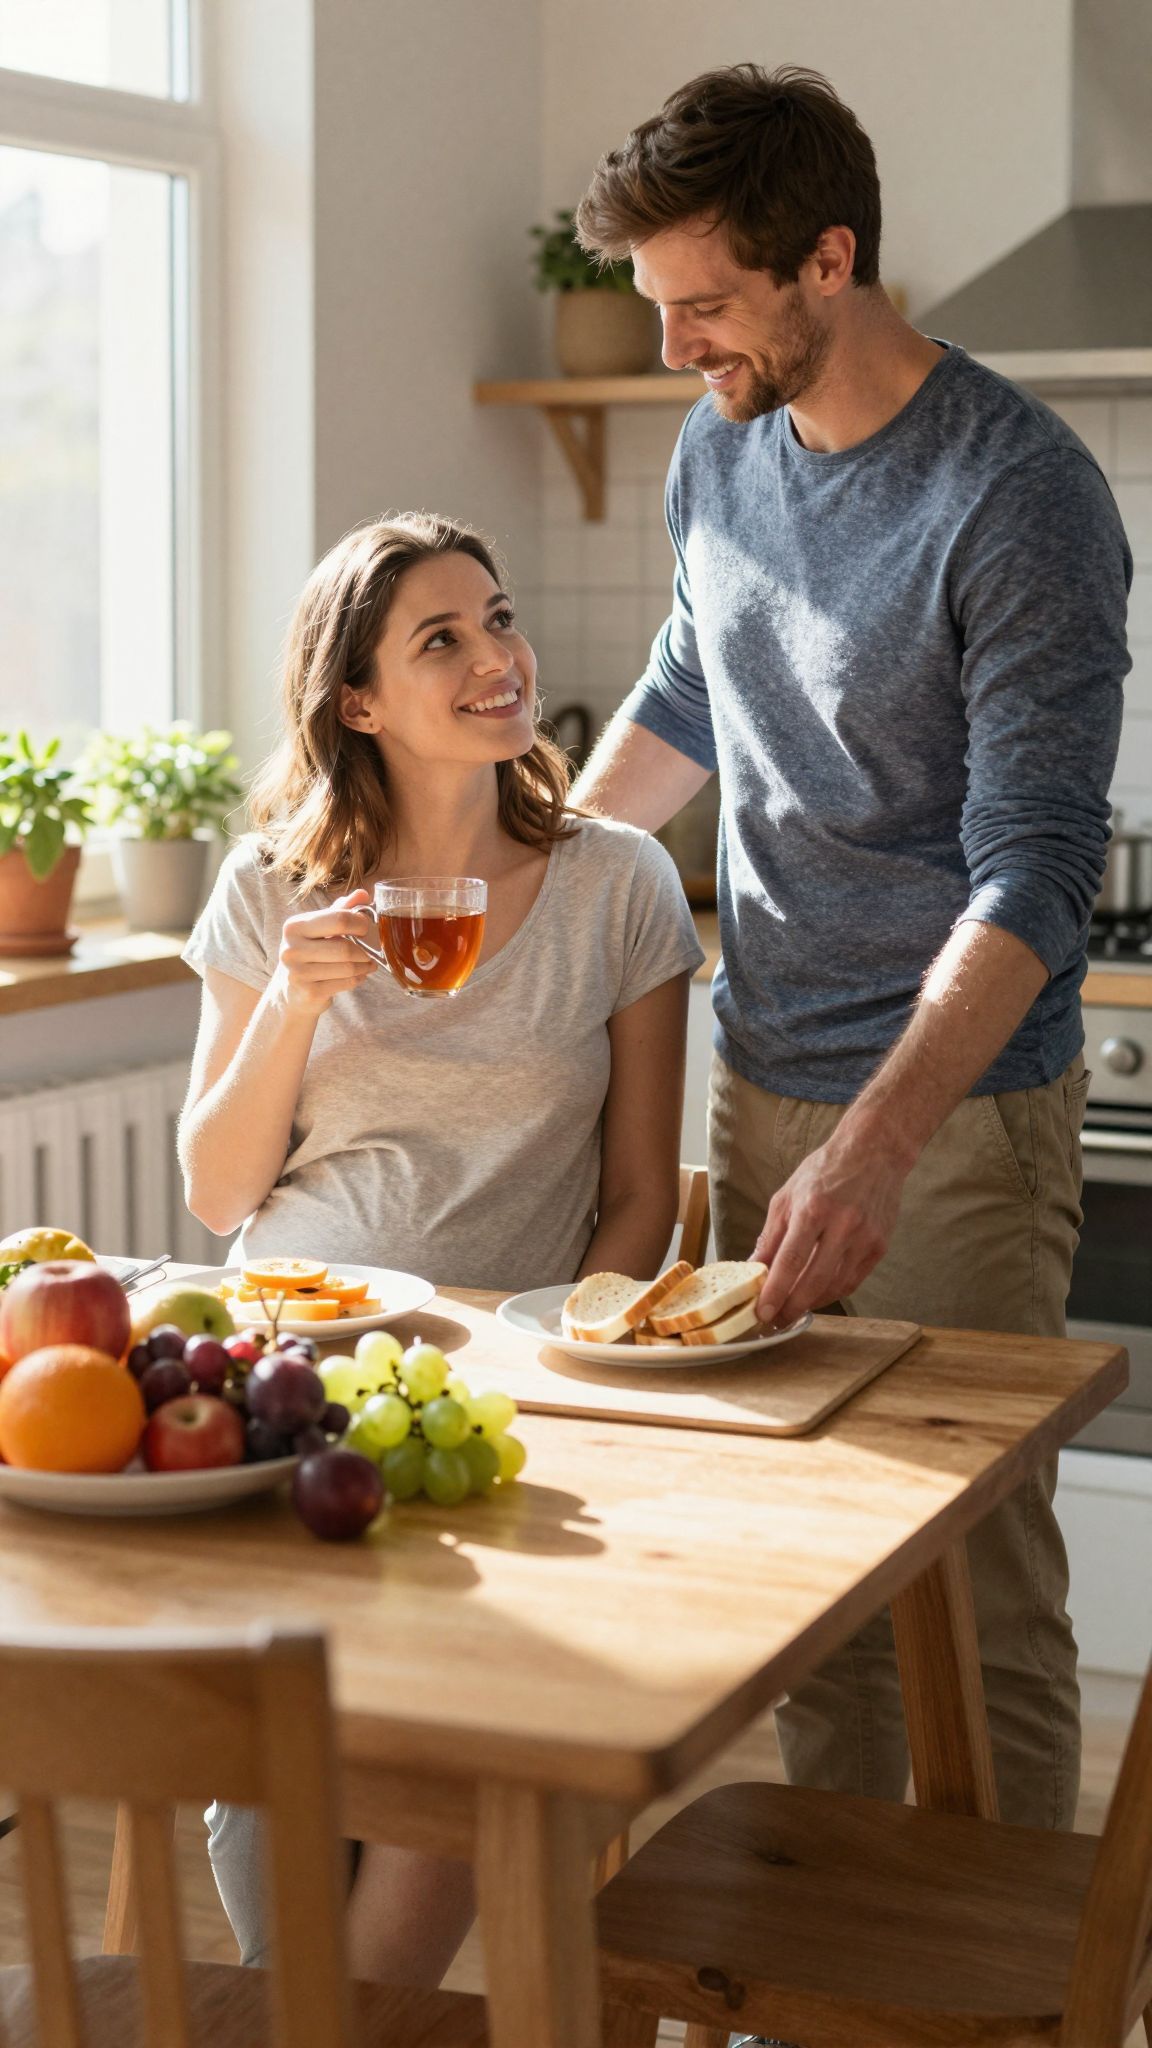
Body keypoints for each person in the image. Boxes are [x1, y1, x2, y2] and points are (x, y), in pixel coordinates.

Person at [572, 62, 1132, 1831]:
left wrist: (880, 1144)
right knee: (809, 1578)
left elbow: (1036, 874)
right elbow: (687, 691)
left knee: (970, 1584)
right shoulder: (720, 443)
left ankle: (1007, 2009)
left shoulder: (1018, 494)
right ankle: (832, 1999)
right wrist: (542, 887)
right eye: (658, 310)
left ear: (831, 261)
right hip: (764, 1082)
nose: (678, 350)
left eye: (706, 307)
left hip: (950, 1124)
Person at [179, 511, 703, 1982]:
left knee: (472, 1723)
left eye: (501, 619)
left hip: (505, 1379)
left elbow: (641, 1199)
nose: (499, 660)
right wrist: (290, 1004)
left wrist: (564, 1354)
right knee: (267, 1734)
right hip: (291, 1355)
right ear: (358, 699)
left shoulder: (618, 887)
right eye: (443, 639)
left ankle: (340, 2021)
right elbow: (223, 1194)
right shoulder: (270, 890)